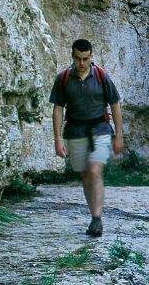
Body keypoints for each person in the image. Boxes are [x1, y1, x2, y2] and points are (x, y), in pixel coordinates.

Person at [49, 39, 124, 237]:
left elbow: (115, 104)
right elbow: (58, 110)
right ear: (72, 56)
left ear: (91, 56)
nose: (81, 63)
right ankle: (94, 216)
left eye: (85, 59)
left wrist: (119, 135)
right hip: (75, 130)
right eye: (77, 58)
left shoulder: (101, 76)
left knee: (94, 169)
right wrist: (57, 139)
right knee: (84, 174)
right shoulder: (63, 78)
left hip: (100, 127)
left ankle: (97, 219)